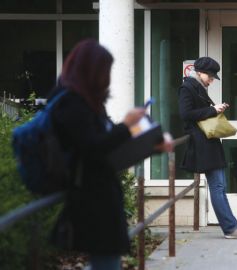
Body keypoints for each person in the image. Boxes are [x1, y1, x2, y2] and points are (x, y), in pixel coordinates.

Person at [50, 39, 173, 270]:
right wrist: (127, 125)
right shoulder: (70, 103)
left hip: (101, 195)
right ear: (90, 71)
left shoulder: (89, 102)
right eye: (103, 71)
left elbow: (110, 147)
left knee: (106, 263)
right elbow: (93, 147)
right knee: (106, 263)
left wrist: (150, 146)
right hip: (90, 198)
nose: (106, 78)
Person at [178, 56, 237, 239]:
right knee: (218, 186)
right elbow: (186, 114)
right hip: (202, 143)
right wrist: (213, 110)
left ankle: (233, 226)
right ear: (199, 73)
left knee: (220, 186)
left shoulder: (197, 87)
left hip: (207, 142)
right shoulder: (187, 87)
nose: (212, 80)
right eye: (210, 76)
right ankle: (230, 229)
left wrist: (215, 109)